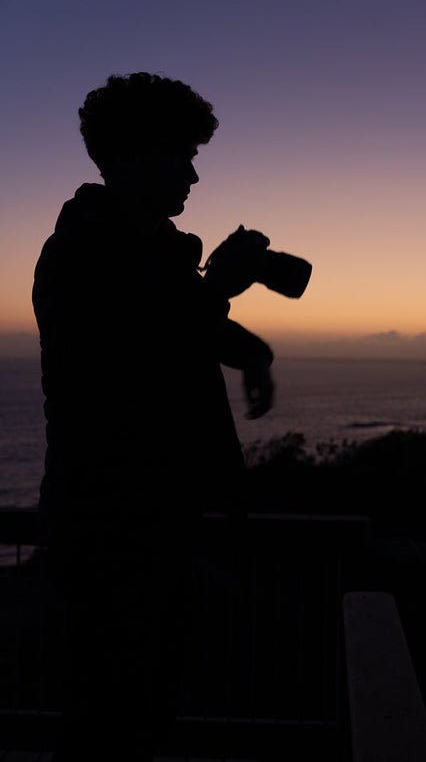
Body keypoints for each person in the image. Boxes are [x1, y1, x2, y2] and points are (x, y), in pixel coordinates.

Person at [32, 72, 275, 762]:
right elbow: (139, 351)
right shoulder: (81, 251)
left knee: (148, 718)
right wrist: (221, 288)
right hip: (108, 529)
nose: (194, 174)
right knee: (106, 726)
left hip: (161, 526)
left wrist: (251, 350)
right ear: (131, 157)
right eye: (179, 154)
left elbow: (181, 321)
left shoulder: (149, 255)